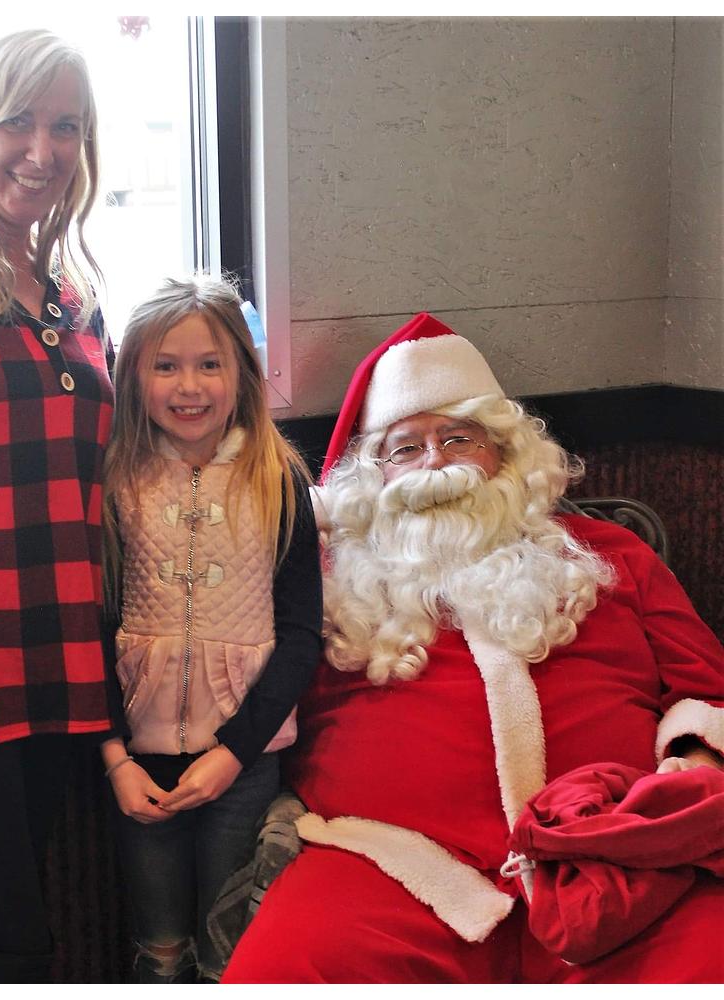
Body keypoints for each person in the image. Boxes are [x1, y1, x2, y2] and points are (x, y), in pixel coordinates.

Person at [222, 312, 724, 984]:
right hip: (385, 868)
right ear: (372, 479)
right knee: (282, 973)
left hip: (617, 863)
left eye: (459, 438)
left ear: (506, 453)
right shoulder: (326, 574)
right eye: (405, 448)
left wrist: (691, 772)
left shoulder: (615, 555)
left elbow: (708, 688)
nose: (435, 461)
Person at [0, 30, 114, 983]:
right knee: (4, 937)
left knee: (12, 908)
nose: (42, 151)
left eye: (65, 128)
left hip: (57, 657)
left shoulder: (74, 296)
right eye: (17, 122)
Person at [99, 275, 323, 983]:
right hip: (137, 766)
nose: (189, 386)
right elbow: (90, 625)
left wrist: (233, 752)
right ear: (133, 377)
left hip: (244, 762)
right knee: (159, 943)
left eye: (209, 364)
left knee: (230, 947)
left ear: (242, 374)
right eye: (166, 366)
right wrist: (115, 758)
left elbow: (301, 635)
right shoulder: (114, 481)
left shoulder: (278, 479)